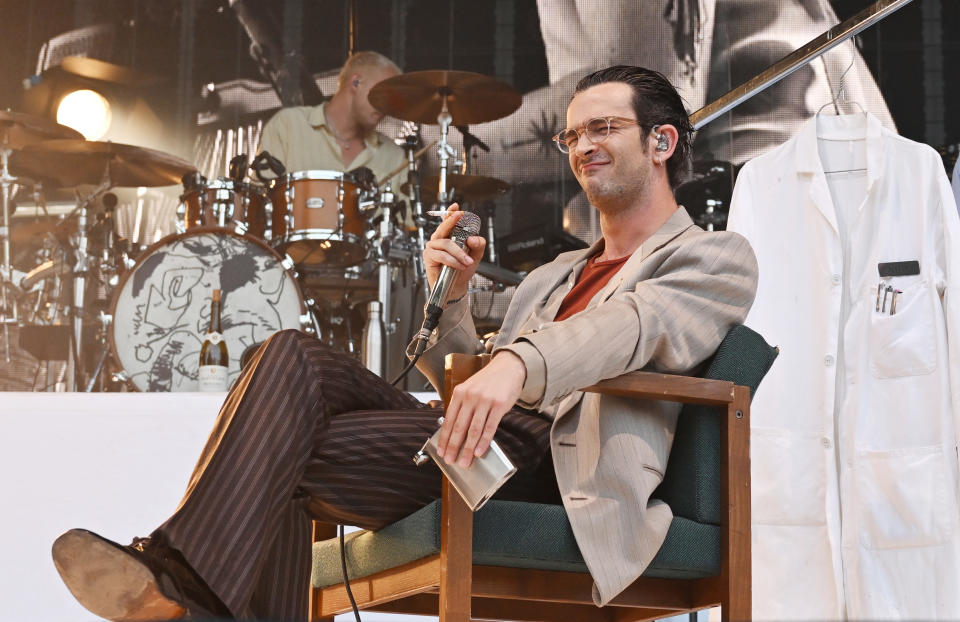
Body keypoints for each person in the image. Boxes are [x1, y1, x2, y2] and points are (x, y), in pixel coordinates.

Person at [51, 65, 759, 621]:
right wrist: (451, 299)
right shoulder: (555, 273)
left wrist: (516, 365)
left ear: (661, 142)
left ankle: (179, 585)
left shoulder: (713, 257)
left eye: (601, 128)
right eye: (570, 136)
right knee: (293, 354)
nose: (581, 148)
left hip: (563, 465)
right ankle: (182, 579)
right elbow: (466, 367)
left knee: (278, 449)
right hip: (481, 438)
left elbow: (632, 327)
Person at [257, 49, 407, 189]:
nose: (387, 105)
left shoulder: (395, 157)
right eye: (383, 93)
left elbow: (404, 217)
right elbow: (257, 202)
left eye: (392, 100)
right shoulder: (288, 125)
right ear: (356, 82)